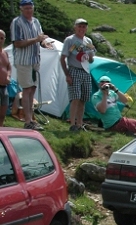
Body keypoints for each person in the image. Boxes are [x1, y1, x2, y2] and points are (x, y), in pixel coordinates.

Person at [10, 0, 54, 131]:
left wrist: (44, 43)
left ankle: (31, 119)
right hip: (24, 61)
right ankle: (28, 120)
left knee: (33, 89)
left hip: (35, 60)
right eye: (26, 8)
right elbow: (17, 43)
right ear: (21, 9)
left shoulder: (36, 22)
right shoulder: (17, 22)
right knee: (27, 90)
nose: (29, 10)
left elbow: (40, 38)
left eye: (31, 8)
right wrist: (36, 40)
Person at [60, 18, 95, 132]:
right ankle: (72, 123)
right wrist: (67, 74)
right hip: (74, 70)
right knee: (75, 97)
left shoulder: (88, 41)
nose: (81, 29)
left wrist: (90, 57)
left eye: (84, 26)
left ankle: (80, 124)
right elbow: (63, 58)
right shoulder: (70, 40)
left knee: (83, 99)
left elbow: (91, 60)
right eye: (79, 26)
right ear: (75, 27)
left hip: (85, 71)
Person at [0, 30, 12, 127]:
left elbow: (8, 66)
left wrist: (8, 76)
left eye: (1, 38)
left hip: (4, 86)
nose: (0, 40)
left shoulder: (5, 53)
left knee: (3, 111)